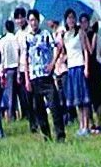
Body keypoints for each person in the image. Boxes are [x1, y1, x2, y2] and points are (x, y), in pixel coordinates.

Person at [22, 9, 65, 142]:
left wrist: (52, 63)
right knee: (39, 109)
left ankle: (60, 135)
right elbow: (25, 59)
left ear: (38, 21)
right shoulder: (26, 37)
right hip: (34, 78)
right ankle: (46, 135)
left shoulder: (46, 34)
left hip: (46, 76)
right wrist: (27, 79)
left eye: (35, 20)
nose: (33, 23)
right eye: (31, 20)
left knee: (54, 106)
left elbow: (59, 47)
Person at [57, 9, 90, 137]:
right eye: (68, 18)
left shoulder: (80, 33)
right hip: (71, 68)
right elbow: (64, 52)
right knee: (77, 99)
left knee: (84, 99)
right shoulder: (65, 35)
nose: (71, 20)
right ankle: (81, 125)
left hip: (80, 66)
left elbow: (86, 51)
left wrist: (86, 67)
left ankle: (86, 125)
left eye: (72, 17)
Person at [80, 13, 101, 134]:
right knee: (87, 97)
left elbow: (90, 50)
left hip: (95, 68)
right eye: (82, 22)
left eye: (85, 21)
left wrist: (85, 39)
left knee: (98, 96)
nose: (83, 24)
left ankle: (99, 122)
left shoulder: (94, 35)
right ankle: (90, 123)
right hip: (85, 69)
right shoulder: (79, 35)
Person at [12, 7, 36, 132]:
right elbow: (18, 53)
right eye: (17, 18)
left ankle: (38, 119)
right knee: (26, 98)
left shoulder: (30, 30)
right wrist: (17, 72)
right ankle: (32, 122)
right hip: (22, 68)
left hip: (33, 67)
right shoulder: (18, 35)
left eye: (22, 17)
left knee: (35, 97)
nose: (20, 20)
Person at [0, 19, 20, 122]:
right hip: (17, 67)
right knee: (20, 94)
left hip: (8, 69)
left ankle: (11, 116)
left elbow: (1, 57)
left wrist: (1, 71)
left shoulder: (2, 41)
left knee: (10, 94)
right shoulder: (16, 38)